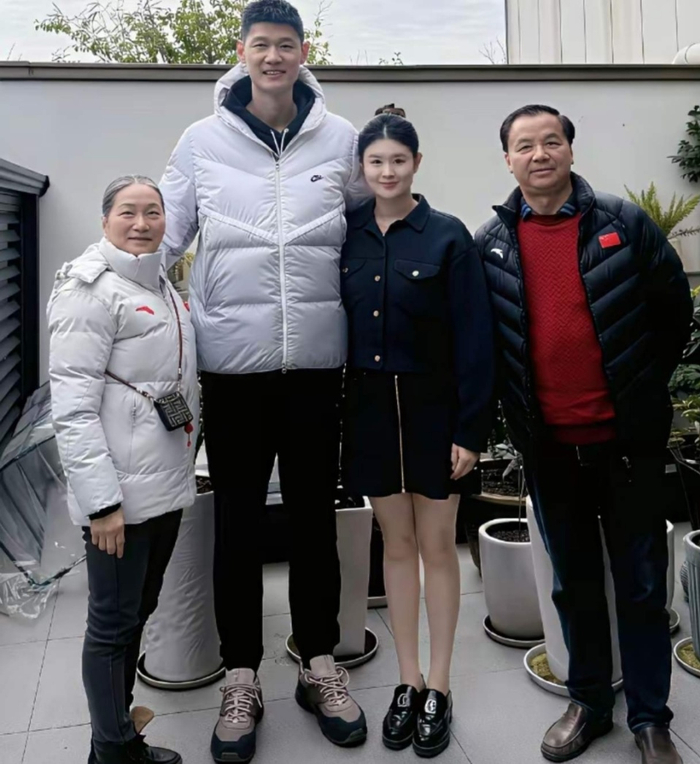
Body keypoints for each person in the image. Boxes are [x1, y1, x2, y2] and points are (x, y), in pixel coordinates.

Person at [158, 1, 368, 761]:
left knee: (315, 522)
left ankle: (319, 663)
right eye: (260, 45)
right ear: (242, 52)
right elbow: (162, 237)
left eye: (286, 45)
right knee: (239, 527)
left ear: (303, 52)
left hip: (315, 366)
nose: (273, 57)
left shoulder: (341, 139)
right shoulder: (201, 140)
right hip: (232, 370)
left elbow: (367, 230)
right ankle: (241, 676)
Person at [475, 104, 692, 764]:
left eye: (551, 141)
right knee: (573, 584)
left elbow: (672, 311)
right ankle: (590, 702)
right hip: (549, 449)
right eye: (524, 146)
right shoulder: (492, 244)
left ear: (570, 150)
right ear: (507, 160)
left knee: (642, 585)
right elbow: (488, 343)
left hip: (627, 445)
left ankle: (650, 718)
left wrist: (640, 387)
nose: (539, 154)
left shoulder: (624, 224)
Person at [341, 111, 493, 758]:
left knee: (437, 546)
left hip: (436, 413)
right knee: (396, 546)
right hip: (370, 412)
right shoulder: (345, 233)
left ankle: (440, 683)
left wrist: (471, 431)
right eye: (375, 162)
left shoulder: (448, 236)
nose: (387, 172)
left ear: (416, 164)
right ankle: (407, 681)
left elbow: (476, 341)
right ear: (362, 168)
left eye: (397, 161)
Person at [47, 176, 199, 764]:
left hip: (161, 487)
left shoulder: (158, 282)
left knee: (136, 613)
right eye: (128, 212)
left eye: (153, 212)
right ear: (105, 220)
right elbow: (73, 408)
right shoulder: (89, 290)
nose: (142, 223)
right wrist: (102, 505)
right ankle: (113, 752)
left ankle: (114, 737)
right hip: (118, 500)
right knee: (112, 626)